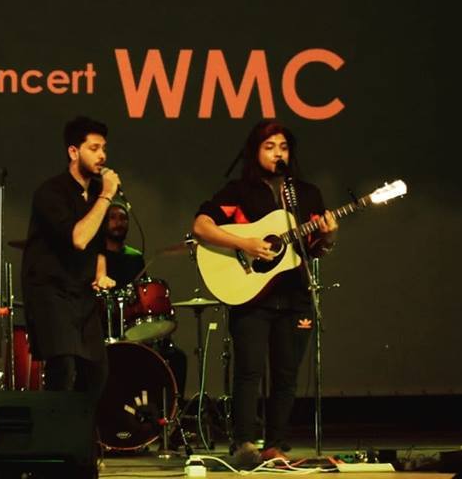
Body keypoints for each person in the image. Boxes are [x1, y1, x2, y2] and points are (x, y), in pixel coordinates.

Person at [191, 119, 338, 467]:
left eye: (283, 147)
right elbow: (201, 226)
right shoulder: (238, 191)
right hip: (252, 298)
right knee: (249, 371)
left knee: (286, 375)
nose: (277, 154)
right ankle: (244, 443)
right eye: (269, 147)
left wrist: (329, 235)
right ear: (255, 151)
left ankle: (275, 445)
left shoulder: (307, 194)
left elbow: (314, 249)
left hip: (295, 295)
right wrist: (245, 243)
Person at [21, 116, 118, 401]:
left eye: (104, 148)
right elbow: (79, 238)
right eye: (94, 148)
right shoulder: (51, 192)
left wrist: (101, 273)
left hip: (81, 294)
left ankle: (84, 429)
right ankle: (54, 429)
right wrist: (108, 195)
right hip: (51, 291)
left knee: (98, 372)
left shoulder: (95, 195)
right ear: (74, 152)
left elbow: (98, 244)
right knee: (63, 368)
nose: (102, 156)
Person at [102, 200, 188, 400]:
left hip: (132, 325)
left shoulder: (134, 257)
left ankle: (170, 411)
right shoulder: (95, 256)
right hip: (105, 327)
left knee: (177, 358)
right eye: (113, 218)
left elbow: (143, 295)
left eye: (123, 218)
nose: (118, 222)